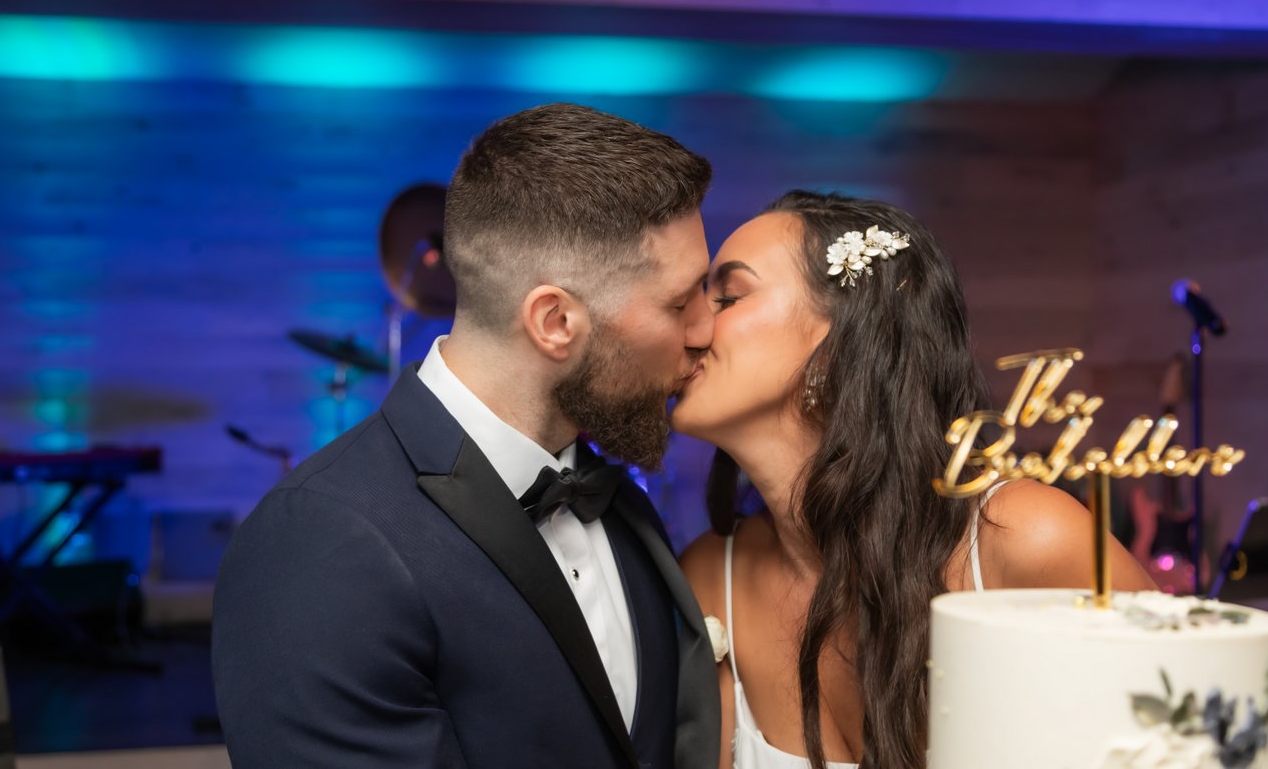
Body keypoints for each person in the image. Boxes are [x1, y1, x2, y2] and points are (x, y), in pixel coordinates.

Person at [213, 103, 721, 769]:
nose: (706, 328)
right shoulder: (314, 543)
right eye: (680, 303)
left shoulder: (617, 501)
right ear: (555, 321)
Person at [675, 190, 1154, 769]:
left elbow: (1195, 737)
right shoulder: (709, 576)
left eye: (727, 296)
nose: (692, 326)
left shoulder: (1027, 544)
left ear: (835, 346)